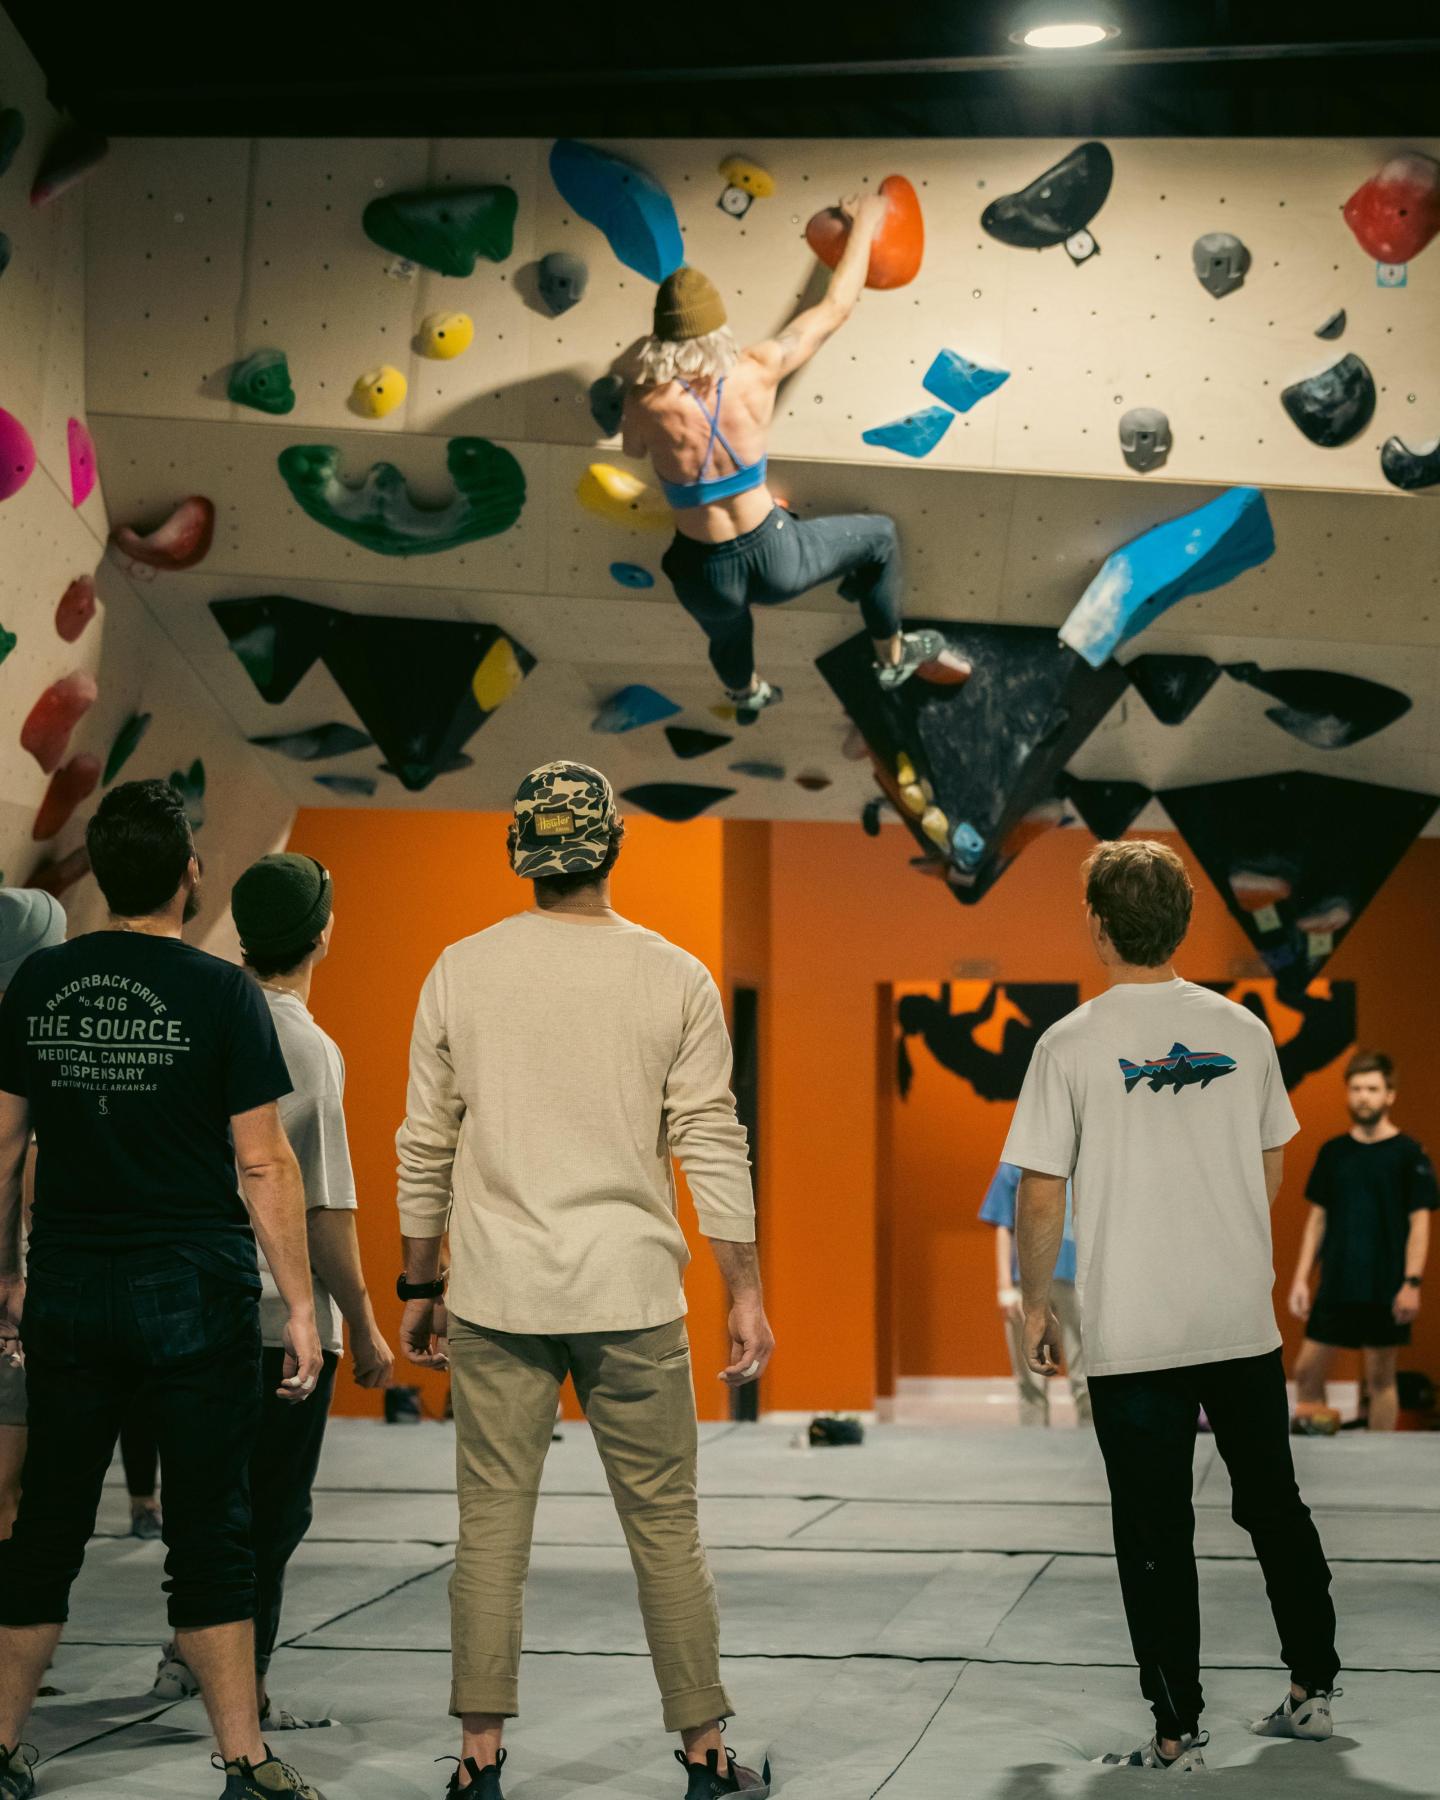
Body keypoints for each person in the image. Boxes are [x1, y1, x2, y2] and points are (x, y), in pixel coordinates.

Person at [395, 761, 774, 1800]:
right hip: (632, 1293)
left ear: (519, 853)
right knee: (666, 1528)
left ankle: (478, 1765)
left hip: (496, 1293)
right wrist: (744, 1290)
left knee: (489, 1528)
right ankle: (706, 1758)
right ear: (613, 847)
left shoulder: (460, 970)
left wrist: (419, 1286)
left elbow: (425, 1144)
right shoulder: (675, 977)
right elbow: (712, 1141)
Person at [0, 780, 326, 1800]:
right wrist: (301, 1306)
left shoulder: (40, 982)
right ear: (190, 873)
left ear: (100, 874)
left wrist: (6, 1270)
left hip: (68, 1286)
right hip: (194, 1291)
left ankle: (1, 1746)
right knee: (210, 1528)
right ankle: (245, 1761)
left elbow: (3, 1144)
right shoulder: (225, 994)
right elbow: (263, 1162)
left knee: (47, 1525)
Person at [1004, 840, 1340, 1776]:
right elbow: (1270, 1167)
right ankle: (1313, 1690)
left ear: (1098, 925)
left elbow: (1041, 1190)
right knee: (1274, 1507)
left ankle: (1177, 1732)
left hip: (1136, 1332)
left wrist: (1035, 1307)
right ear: (1184, 922)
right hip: (1238, 1322)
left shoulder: (1068, 1043)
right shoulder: (1245, 1031)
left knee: (1154, 1534)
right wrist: (1218, 1241)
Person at [152, 852, 395, 1730]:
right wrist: (363, 1322)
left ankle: (185, 1652)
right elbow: (322, 1207)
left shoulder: (203, 1012)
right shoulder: (306, 1047)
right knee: (273, 1512)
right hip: (271, 1317)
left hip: (185, 1303)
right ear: (322, 933)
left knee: (209, 1498)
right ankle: (244, 1695)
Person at [621, 197, 953, 720]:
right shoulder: (758, 368)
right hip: (778, 558)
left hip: (705, 573)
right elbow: (836, 307)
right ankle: (891, 658)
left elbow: (634, 450)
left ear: (663, 338)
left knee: (727, 634)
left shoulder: (644, 403)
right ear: (719, 329)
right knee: (881, 537)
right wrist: (866, 221)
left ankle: (747, 693)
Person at [1288, 1051, 1436, 1433]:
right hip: (1336, 1283)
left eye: (1372, 1089)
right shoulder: (1333, 1152)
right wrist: (1301, 1278)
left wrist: (1412, 1282)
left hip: (1385, 1285)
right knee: (1306, 1371)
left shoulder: (1409, 1154)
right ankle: (1319, 1446)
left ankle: (1379, 1458)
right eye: (1356, 1088)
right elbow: (1317, 1219)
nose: (1363, 1097)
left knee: (1380, 1380)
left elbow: (1420, 1223)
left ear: (1390, 1095)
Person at [0, 890, 67, 1543]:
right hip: (11, 1296)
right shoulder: (30, 1051)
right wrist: (17, 1275)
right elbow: (24, 1179)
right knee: (8, 1495)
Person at [979, 1162, 1089, 1427]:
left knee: (1086, 1375)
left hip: (1078, 1279)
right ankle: (1033, 1438)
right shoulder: (1014, 1165)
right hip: (1027, 1281)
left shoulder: (1085, 1161)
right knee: (1030, 1377)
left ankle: (1092, 1439)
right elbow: (1004, 1224)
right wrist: (1005, 1287)